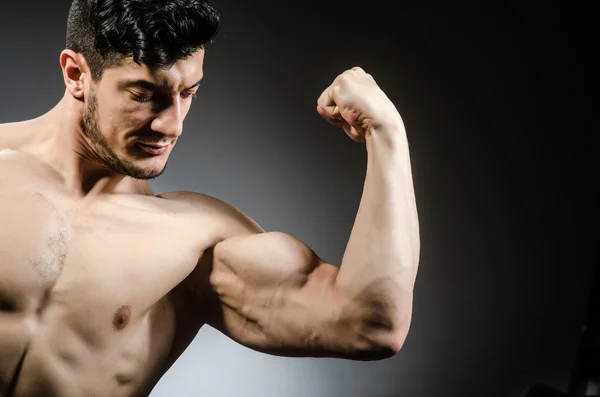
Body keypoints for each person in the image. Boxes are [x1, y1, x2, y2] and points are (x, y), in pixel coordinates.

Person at [0, 0, 420, 396]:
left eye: (188, 94)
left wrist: (388, 135)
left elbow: (370, 324)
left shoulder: (194, 246)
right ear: (76, 74)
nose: (172, 125)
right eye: (144, 95)